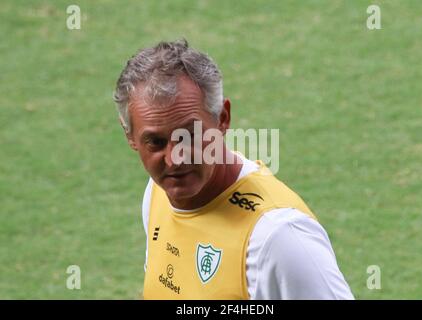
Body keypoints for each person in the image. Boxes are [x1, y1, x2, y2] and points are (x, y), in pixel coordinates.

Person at [113, 39, 354, 299]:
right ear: (130, 136)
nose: (174, 159)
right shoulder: (158, 194)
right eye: (156, 142)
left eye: (190, 135)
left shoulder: (278, 237)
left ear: (223, 119)